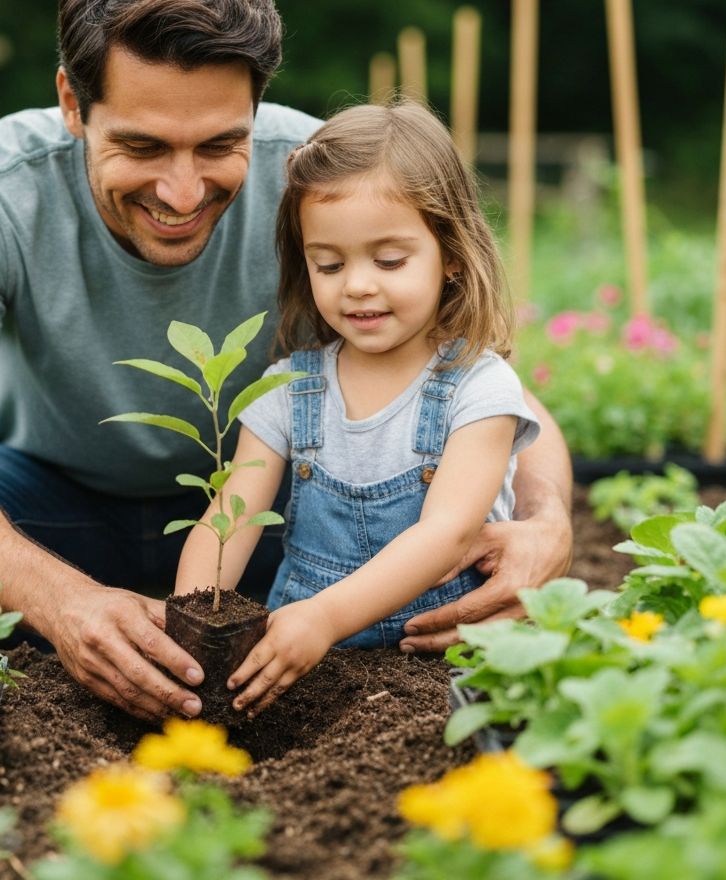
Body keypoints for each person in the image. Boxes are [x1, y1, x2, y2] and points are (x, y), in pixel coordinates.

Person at [0, 0, 573, 723]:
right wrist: (66, 605)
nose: (185, 192)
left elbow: (492, 395)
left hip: (275, 516)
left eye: (222, 144)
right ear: (71, 103)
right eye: (144, 146)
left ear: (257, 108)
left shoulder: (324, 184)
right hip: (58, 509)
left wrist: (547, 524)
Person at [174, 101, 541, 715]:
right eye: (330, 263)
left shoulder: (481, 390)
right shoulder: (289, 388)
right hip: (305, 665)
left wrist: (322, 617)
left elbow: (448, 537)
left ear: (450, 254)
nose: (358, 284)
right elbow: (227, 519)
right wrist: (190, 629)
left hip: (441, 662)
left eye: (390, 260)